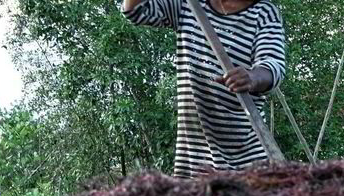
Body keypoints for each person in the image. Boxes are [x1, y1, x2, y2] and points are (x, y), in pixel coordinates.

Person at [122, 0, 287, 179]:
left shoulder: (264, 13)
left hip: (247, 156)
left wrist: (253, 77)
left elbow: (273, 66)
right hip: (195, 155)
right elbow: (135, 11)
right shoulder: (189, 5)